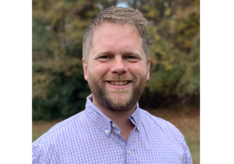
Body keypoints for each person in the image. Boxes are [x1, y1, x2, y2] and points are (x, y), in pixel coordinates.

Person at [30, 7, 192, 163]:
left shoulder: (174, 141)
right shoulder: (46, 154)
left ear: (147, 68)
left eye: (130, 56)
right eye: (105, 56)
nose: (119, 67)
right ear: (86, 69)